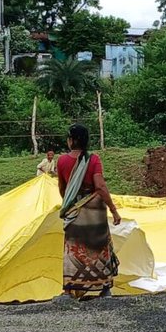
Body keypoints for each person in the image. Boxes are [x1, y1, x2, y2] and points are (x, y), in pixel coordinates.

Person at [57, 123, 122, 299]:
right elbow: (100, 186)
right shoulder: (93, 160)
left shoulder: (62, 161)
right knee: (99, 248)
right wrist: (113, 210)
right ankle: (104, 288)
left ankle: (69, 289)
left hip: (74, 212)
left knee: (73, 250)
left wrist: (73, 204)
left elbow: (63, 189)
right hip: (95, 212)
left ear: (72, 140)